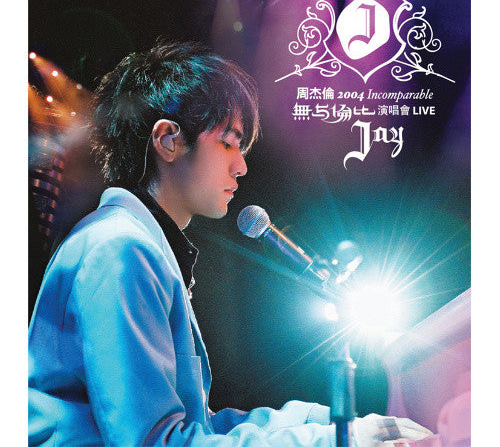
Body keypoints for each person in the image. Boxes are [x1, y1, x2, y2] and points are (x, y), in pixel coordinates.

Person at [28, 41, 432, 446]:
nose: (240, 166)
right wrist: (335, 440)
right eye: (229, 142)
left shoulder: (137, 244)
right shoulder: (121, 249)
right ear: (168, 140)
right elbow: (156, 442)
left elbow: (200, 428)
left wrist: (331, 423)